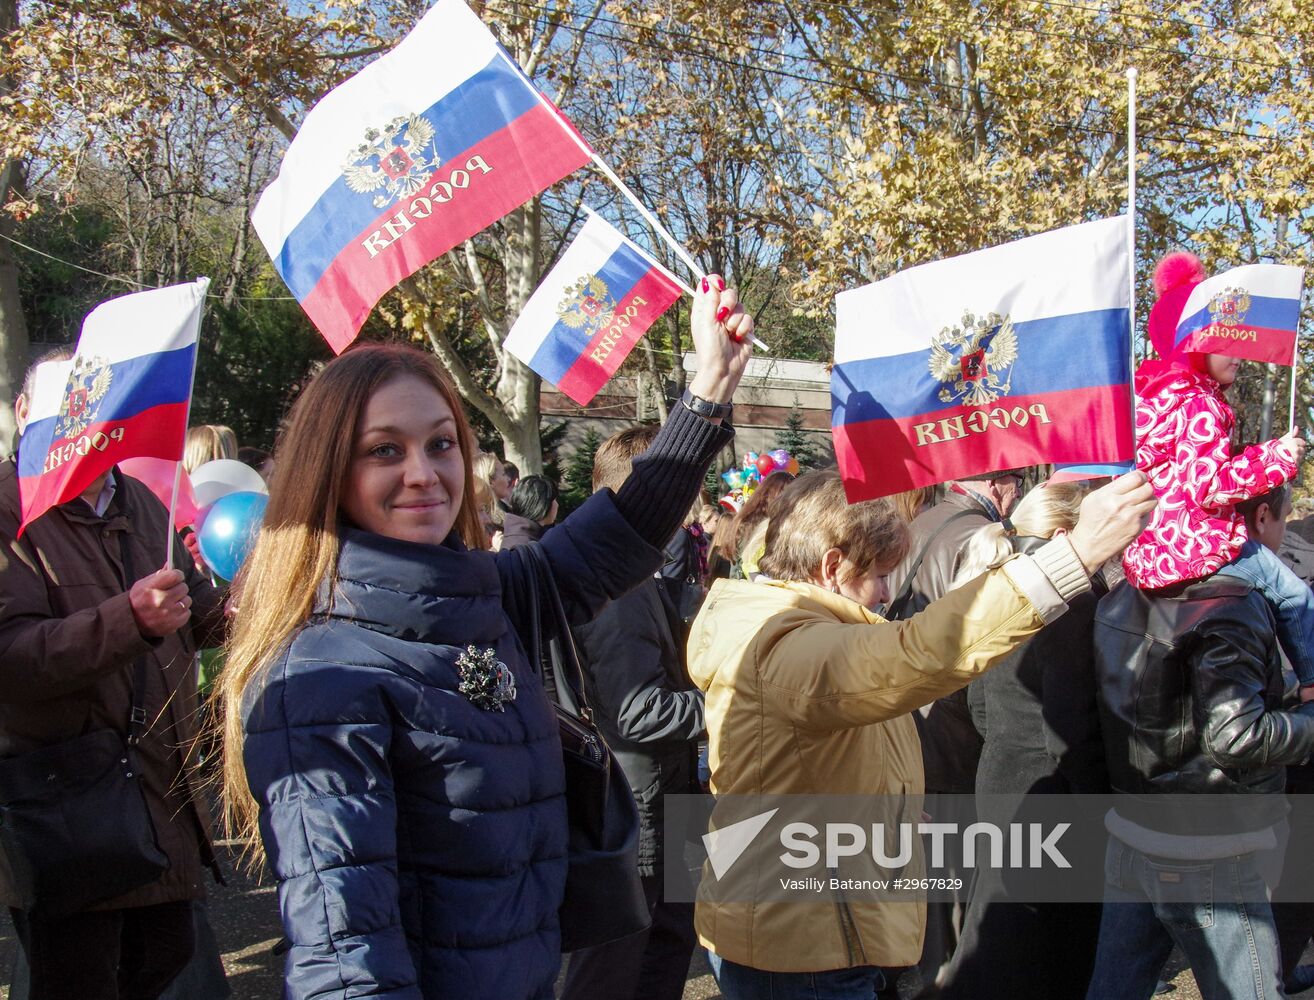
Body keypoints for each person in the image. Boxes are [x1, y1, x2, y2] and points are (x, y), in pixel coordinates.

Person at [221, 277, 754, 1000]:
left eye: (440, 444)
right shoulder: (318, 679)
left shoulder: (486, 594)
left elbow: (619, 534)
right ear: (329, 472)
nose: (423, 473)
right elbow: (345, 954)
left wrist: (711, 383)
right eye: (385, 450)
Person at [688, 468, 1155, 999]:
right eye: (882, 576)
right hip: (799, 947)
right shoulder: (786, 645)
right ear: (833, 566)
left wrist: (887, 808)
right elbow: (917, 655)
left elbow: (820, 754)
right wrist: (1073, 557)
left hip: (812, 929)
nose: (889, 594)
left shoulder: (791, 630)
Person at [0, 351, 227, 999]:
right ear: (23, 414)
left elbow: (195, 617)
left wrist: (243, 612)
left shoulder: (143, 505)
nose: (83, 420)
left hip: (162, 807)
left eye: (96, 404)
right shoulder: (5, 506)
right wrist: (128, 618)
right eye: (63, 404)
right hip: (68, 818)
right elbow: (10, 659)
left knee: (167, 959)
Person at [1088, 479, 1314, 1000]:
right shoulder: (1231, 604)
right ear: (1258, 520)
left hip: (1134, 825)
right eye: (1280, 524)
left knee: (1114, 987)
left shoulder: (1128, 589)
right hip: (1206, 846)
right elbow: (1236, 735)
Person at [939, 482, 1109, 1000]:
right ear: (1064, 534)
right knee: (1046, 950)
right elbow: (1070, 724)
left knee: (1002, 928)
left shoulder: (1001, 585)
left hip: (1002, 773)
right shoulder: (1072, 601)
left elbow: (981, 706)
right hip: (1052, 793)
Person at [560, 426, 706, 1000]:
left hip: (657, 798)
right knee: (616, 964)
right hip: (637, 806)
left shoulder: (630, 575)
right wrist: (731, 702)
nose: (689, 509)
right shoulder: (617, 588)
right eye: (679, 491)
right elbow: (635, 710)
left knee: (665, 942)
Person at [1122, 252, 1312, 693]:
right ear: (1192, 343)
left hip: (1150, 553)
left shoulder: (1150, 398)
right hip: (1195, 548)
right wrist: (1277, 457)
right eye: (1223, 343)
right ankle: (1310, 685)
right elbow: (1208, 485)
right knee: (1295, 596)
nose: (1239, 355)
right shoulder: (1201, 403)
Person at [883, 467, 1026, 987]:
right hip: (952, 722)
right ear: (996, 484)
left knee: (923, 871)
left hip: (905, 716)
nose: (1018, 495)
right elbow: (986, 642)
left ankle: (920, 971)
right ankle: (942, 979)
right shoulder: (984, 537)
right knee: (951, 875)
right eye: (1015, 482)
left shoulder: (917, 522)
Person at [726, 470, 794, 580]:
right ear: (777, 495)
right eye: (790, 496)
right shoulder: (751, 525)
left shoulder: (745, 520)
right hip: (752, 588)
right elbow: (749, 565)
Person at [499, 474, 558, 548]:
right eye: (555, 500)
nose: (557, 505)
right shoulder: (525, 546)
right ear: (543, 505)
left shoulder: (519, 535)